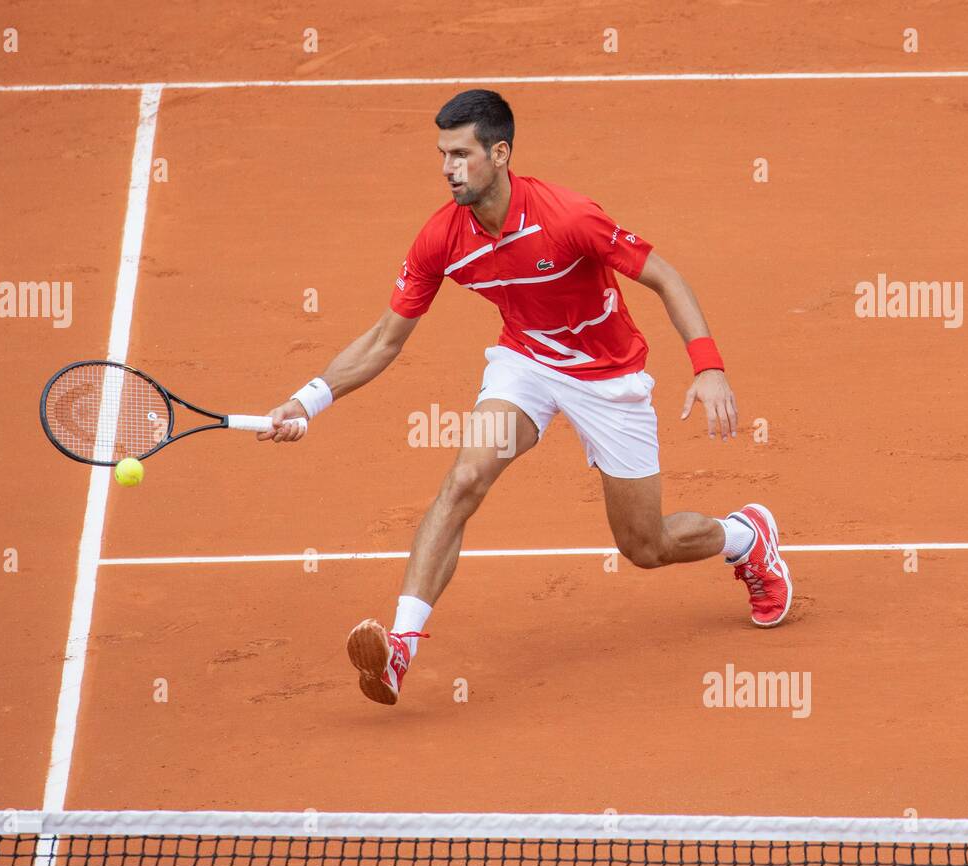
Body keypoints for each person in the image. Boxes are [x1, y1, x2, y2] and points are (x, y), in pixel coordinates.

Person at [260, 89, 792, 706]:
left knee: (646, 546)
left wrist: (709, 367)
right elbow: (384, 340)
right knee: (464, 480)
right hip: (526, 365)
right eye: (442, 155)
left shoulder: (568, 217)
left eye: (460, 154)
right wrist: (307, 401)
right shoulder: (441, 238)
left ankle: (746, 538)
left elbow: (665, 276)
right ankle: (402, 645)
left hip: (608, 377)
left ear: (500, 153)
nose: (447, 168)